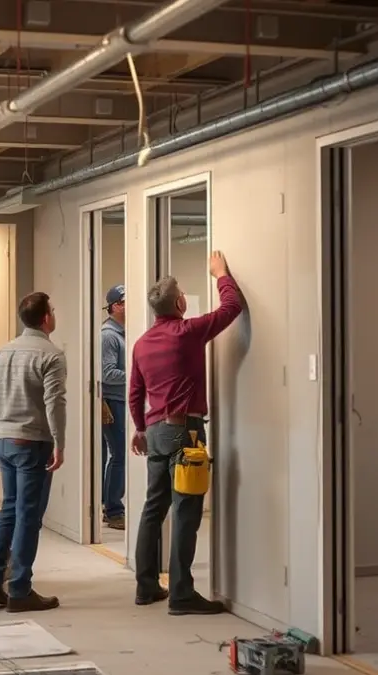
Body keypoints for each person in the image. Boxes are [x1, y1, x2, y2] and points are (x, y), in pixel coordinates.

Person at [128, 251, 242, 615]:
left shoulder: (142, 343)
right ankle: (180, 594)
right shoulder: (188, 332)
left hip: (157, 430)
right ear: (180, 303)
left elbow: (135, 393)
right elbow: (231, 308)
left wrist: (140, 428)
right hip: (186, 433)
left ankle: (146, 587)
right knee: (186, 512)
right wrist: (221, 274)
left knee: (153, 508)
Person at [0, 292, 67, 613]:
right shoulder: (52, 355)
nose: (54, 314)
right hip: (32, 442)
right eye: (52, 310)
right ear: (45, 318)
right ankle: (19, 589)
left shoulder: (4, 352)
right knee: (28, 516)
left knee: (9, 509)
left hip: (4, 439)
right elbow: (54, 403)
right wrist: (60, 442)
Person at [100, 284, 128, 530]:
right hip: (112, 401)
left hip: (118, 400)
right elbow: (107, 374)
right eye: (126, 301)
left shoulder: (121, 334)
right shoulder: (109, 335)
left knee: (114, 456)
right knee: (119, 456)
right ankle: (114, 510)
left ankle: (107, 504)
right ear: (116, 306)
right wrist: (137, 375)